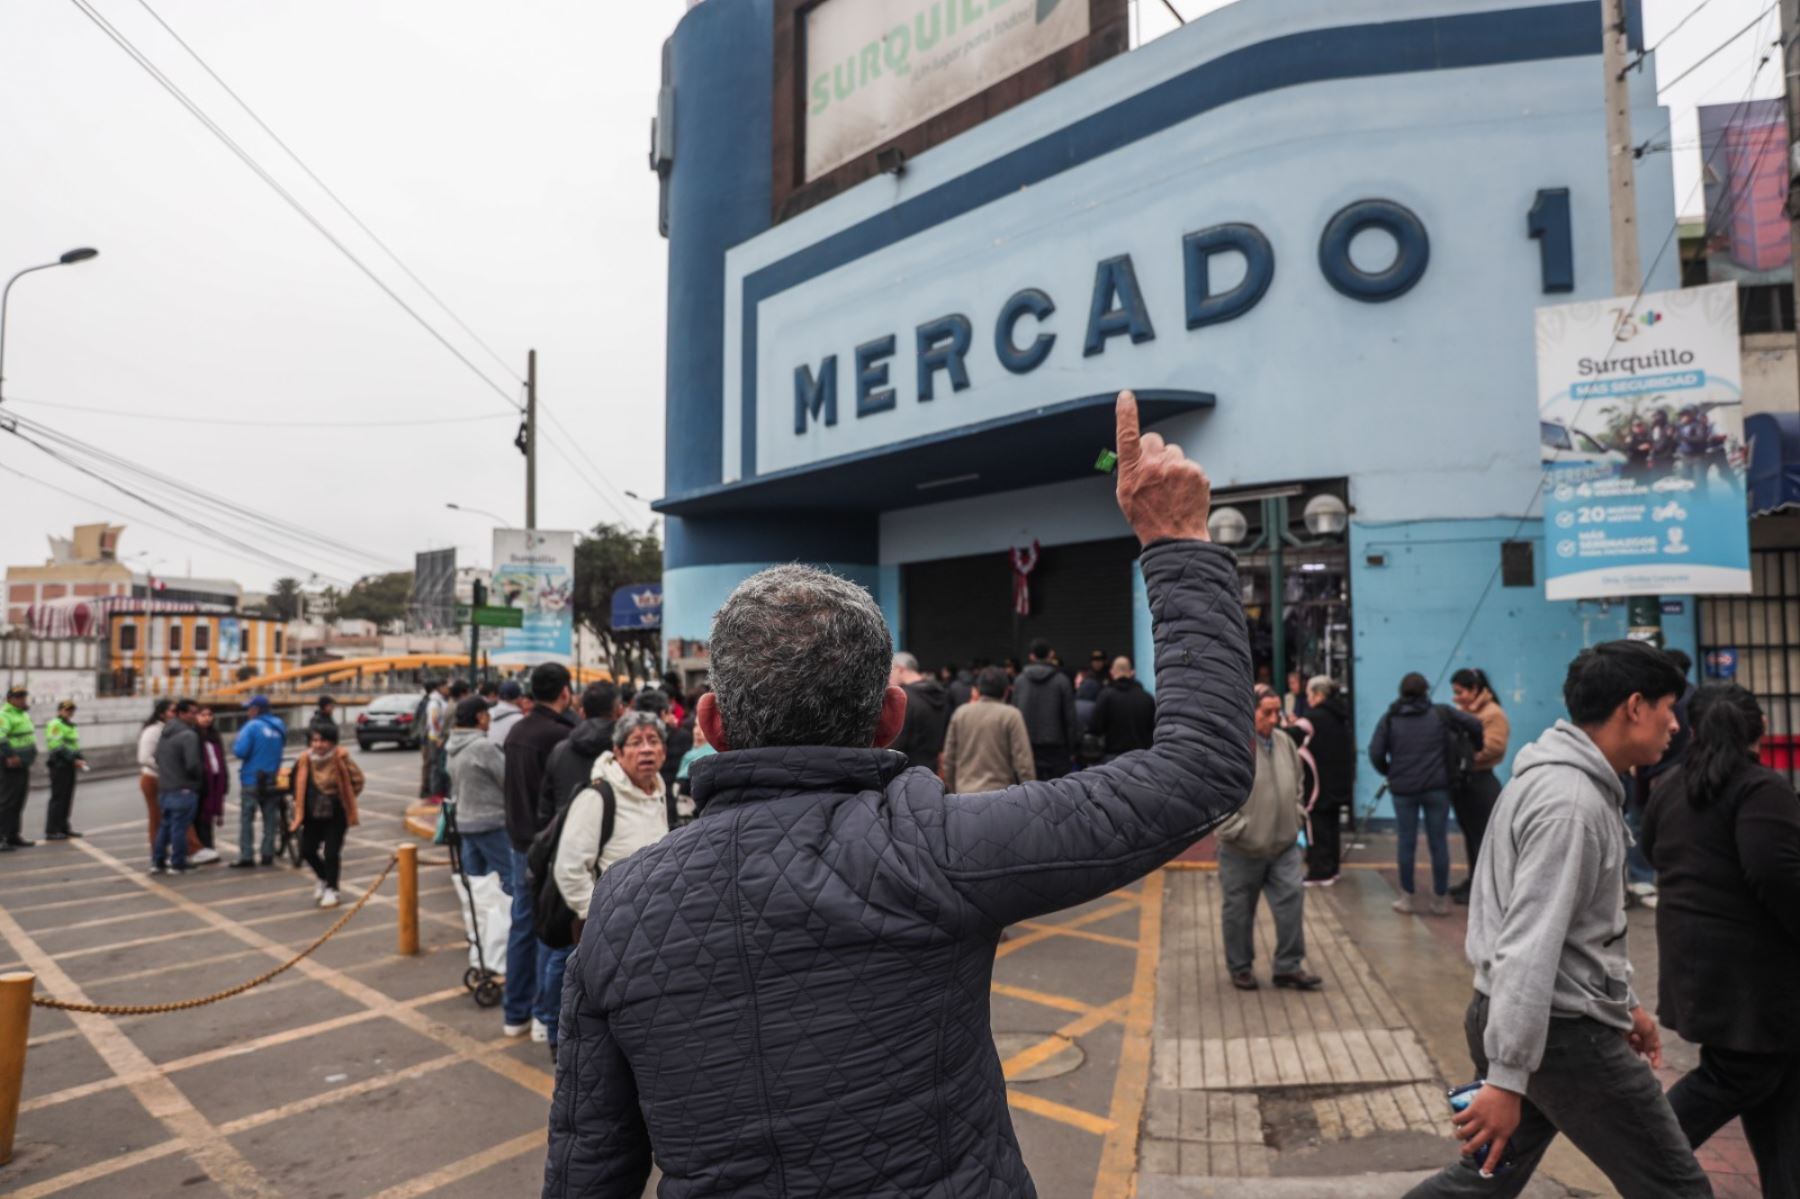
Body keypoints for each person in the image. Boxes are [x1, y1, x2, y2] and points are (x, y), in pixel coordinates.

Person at [544, 391, 1255, 1196]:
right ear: (891, 717)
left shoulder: (623, 904)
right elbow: (1203, 768)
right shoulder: (936, 847)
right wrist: (1177, 544)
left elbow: (585, 1170)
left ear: (709, 722)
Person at [1405, 641, 1708, 1199]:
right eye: (1669, 707)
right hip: (1560, 1034)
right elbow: (1529, 945)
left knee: (1483, 1184)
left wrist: (1625, 1003)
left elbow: (1581, 931)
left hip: (1526, 1018)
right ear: (1634, 706)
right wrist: (1506, 1078)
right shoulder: (1571, 805)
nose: (1676, 724)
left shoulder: (1560, 783)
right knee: (1678, 1189)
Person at [1639, 684, 1800, 1193]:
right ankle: (1638, 1153)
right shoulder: (1761, 789)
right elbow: (1778, 875)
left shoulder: (1671, 786)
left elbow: (1651, 850)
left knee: (1781, 1089)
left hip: (1699, 971)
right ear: (1761, 728)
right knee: (1739, 1076)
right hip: (1755, 981)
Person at [550, 711, 673, 1049]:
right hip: (609, 934)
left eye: (653, 741)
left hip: (651, 931)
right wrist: (599, 917)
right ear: (618, 753)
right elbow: (569, 869)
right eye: (635, 742)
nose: (646, 749)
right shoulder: (597, 798)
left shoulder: (659, 793)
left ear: (664, 752)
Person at [1216, 691, 1324, 992]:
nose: (1275, 719)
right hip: (1241, 849)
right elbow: (1216, 793)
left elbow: (1299, 782)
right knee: (1238, 912)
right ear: (1250, 712)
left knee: (1292, 903)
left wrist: (1296, 814)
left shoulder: (1285, 742)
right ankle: (1240, 967)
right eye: (1267, 712)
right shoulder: (1232, 747)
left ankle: (1288, 967)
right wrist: (1235, 828)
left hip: (1283, 845)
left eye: (1278, 712)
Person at [1370, 673, 1483, 917]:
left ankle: (1407, 898)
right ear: (1425, 691)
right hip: (1437, 788)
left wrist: (1391, 772)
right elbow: (1475, 725)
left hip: (1403, 791)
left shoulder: (1390, 718)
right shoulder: (1441, 713)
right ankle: (1440, 899)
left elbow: (1375, 752)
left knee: (1406, 842)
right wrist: (1475, 748)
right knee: (1438, 842)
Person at [503, 661, 575, 1043]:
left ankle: (515, 1011)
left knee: (522, 923)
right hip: (547, 846)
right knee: (550, 929)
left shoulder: (517, 730)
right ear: (565, 691)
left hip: (518, 841)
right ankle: (542, 1014)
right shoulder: (559, 736)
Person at [1629, 647, 1695, 909]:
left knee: (1642, 825)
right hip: (1669, 770)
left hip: (1658, 770)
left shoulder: (1671, 698)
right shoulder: (1690, 696)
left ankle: (1641, 879)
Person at [1448, 668, 1511, 905]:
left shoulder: (1492, 713)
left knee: (1482, 839)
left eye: (1460, 692)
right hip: (1465, 782)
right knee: (1470, 835)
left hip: (1481, 783)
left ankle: (1483, 889)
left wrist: (1462, 757)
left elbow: (1494, 746)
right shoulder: (1465, 712)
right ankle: (1473, 880)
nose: (1456, 697)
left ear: (1474, 690)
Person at [289, 724, 364, 908]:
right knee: (307, 850)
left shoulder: (341, 758)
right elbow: (293, 782)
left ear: (332, 742)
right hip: (311, 815)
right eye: (315, 740)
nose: (318, 745)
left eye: (323, 741)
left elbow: (358, 780)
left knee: (331, 853)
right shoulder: (304, 760)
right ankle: (323, 878)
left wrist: (346, 796)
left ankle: (332, 889)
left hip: (336, 814)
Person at [537, 681, 620, 828]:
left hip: (568, 831)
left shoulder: (560, 750)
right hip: (616, 834)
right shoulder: (626, 751)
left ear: (582, 713)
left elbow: (546, 808)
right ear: (619, 711)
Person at [942, 666, 1036, 793]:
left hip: (964, 794)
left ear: (978, 690)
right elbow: (1023, 762)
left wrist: (954, 791)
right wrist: (1030, 793)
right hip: (1002, 794)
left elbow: (948, 759)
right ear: (1006, 691)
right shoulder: (1011, 715)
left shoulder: (961, 714)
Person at [447, 695, 510, 879]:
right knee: (509, 876)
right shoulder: (483, 747)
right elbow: (507, 778)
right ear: (480, 717)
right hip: (490, 821)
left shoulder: (452, 746)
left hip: (464, 821)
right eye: (487, 714)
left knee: (475, 880)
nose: (490, 719)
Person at [1302, 676, 1354, 885]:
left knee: (1317, 827)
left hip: (1317, 783)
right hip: (1338, 781)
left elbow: (1296, 738)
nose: (1307, 699)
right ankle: (1332, 868)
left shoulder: (1312, 718)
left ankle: (1320, 871)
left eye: (1309, 694)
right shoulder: (1340, 716)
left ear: (1318, 694)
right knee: (1333, 826)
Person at [230, 696, 288, 868]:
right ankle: (267, 853)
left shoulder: (252, 726)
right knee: (270, 818)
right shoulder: (279, 725)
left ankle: (247, 855)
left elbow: (240, 752)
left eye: (249, 708)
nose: (247, 712)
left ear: (256, 710)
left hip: (252, 779)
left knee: (247, 818)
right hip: (272, 778)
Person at [1011, 638, 1079, 780]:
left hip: (1027, 746)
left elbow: (1014, 715)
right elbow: (1070, 718)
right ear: (1051, 654)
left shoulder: (1020, 681)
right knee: (1058, 789)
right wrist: (1072, 748)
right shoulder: (1062, 680)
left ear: (1031, 656)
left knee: (1030, 790)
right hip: (1057, 748)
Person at [152, 699, 203, 875]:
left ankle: (158, 862)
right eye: (192, 713)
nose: (195, 716)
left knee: (165, 826)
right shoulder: (189, 735)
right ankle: (178, 863)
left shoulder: (165, 733)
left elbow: (156, 758)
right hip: (183, 788)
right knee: (179, 828)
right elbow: (193, 764)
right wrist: (197, 781)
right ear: (181, 714)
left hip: (165, 788)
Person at [887, 651, 951, 774]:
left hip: (907, 771)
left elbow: (897, 742)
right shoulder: (940, 693)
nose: (889, 678)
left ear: (900, 669)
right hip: (931, 770)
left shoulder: (904, 697)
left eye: (890, 671)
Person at [1089, 655, 1156, 759]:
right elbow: (1154, 729)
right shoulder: (1147, 698)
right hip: (1141, 757)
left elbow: (1095, 728)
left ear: (1112, 672)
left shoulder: (1105, 696)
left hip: (1113, 757)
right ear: (1132, 673)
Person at [42, 699, 87, 841]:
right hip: (59, 765)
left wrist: (80, 757)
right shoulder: (55, 724)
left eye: (71, 710)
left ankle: (63, 827)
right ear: (59, 711)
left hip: (69, 765)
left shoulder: (70, 725)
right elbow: (57, 746)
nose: (69, 712)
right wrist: (74, 759)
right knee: (58, 798)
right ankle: (52, 830)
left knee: (67, 798)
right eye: (66, 710)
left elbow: (73, 745)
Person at [0, 685, 37, 850]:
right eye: (18, 697)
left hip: (23, 763)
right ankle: (1, 838)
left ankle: (13, 835)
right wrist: (10, 755)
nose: (22, 700)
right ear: (10, 699)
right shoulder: (4, 715)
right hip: (10, 762)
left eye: (23, 697)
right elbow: (1, 737)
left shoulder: (22, 714)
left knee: (18, 801)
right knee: (7, 801)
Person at [191, 706, 229, 866]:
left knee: (208, 818)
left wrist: (225, 782)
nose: (207, 718)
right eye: (203, 715)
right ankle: (201, 849)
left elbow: (221, 761)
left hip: (215, 782)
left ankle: (209, 847)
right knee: (200, 818)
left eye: (209, 715)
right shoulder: (193, 736)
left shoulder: (214, 736)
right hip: (201, 783)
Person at [137, 699, 173, 852]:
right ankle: (158, 851)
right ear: (162, 714)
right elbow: (144, 758)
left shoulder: (168, 728)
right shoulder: (153, 731)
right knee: (156, 817)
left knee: (169, 815)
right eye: (172, 711)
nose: (175, 713)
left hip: (165, 778)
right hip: (153, 778)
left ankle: (164, 850)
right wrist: (167, 769)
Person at [418, 679, 449, 799]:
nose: (448, 689)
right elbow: (434, 720)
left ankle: (435, 791)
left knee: (436, 764)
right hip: (435, 738)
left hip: (435, 737)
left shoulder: (439, 700)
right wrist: (440, 736)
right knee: (436, 765)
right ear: (440, 687)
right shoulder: (435, 702)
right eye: (446, 686)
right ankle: (434, 792)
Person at [487, 679, 529, 745]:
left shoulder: (488, 713)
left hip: (487, 749)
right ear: (519, 698)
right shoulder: (520, 719)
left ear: (499, 696)